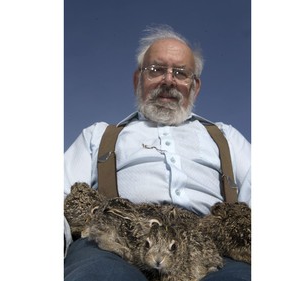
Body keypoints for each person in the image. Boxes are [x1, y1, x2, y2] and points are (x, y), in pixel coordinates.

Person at [64, 24, 251, 281]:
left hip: (210, 250)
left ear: (194, 86)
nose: (168, 80)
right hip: (115, 243)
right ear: (137, 79)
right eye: (156, 70)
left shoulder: (225, 137)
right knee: (100, 275)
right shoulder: (98, 136)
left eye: (181, 73)